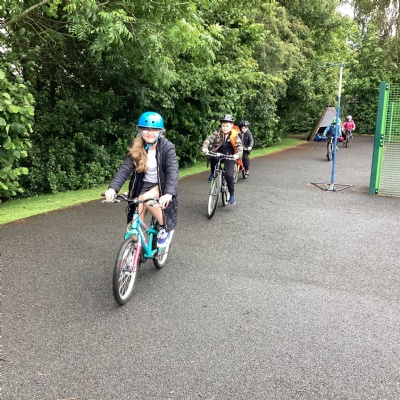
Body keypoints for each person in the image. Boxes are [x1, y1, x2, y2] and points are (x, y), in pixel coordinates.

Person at [105, 111, 178, 247]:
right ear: (140, 130)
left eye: (154, 130)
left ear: (160, 132)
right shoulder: (137, 146)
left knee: (147, 199)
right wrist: (113, 188)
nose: (149, 133)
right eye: (146, 129)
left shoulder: (167, 147)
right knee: (134, 225)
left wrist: (168, 193)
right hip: (143, 185)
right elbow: (125, 169)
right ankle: (133, 252)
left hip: (160, 185)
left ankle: (166, 228)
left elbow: (172, 171)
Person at [202, 114, 243, 205]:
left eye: (227, 126)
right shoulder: (218, 132)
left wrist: (237, 155)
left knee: (228, 175)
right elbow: (209, 139)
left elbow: (240, 147)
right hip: (219, 153)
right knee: (213, 157)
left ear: (231, 126)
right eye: (223, 125)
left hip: (230, 156)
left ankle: (231, 194)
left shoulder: (235, 135)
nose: (225, 128)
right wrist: (205, 147)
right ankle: (213, 173)